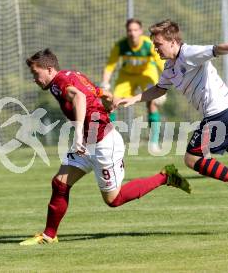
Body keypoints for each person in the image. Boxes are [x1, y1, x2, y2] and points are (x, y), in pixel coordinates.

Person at [116, 19, 228, 233]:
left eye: (158, 44)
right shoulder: (169, 67)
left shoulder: (189, 53)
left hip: (220, 114)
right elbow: (159, 89)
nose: (155, 48)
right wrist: (134, 98)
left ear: (173, 41)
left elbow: (217, 49)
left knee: (192, 158)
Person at [19, 49, 191, 245]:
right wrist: (111, 101)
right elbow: (99, 92)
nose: (34, 78)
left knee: (113, 200)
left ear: (49, 69)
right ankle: (49, 235)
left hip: (103, 144)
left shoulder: (60, 81)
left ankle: (166, 176)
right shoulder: (72, 76)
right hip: (87, 142)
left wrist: (77, 136)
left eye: (35, 73)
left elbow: (80, 98)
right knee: (60, 183)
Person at [101, 18, 166, 151]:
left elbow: (161, 64)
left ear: (141, 31)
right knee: (113, 101)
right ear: (127, 32)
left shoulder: (149, 44)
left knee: (152, 102)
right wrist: (105, 83)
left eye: (135, 30)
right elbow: (110, 66)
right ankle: (110, 141)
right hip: (127, 76)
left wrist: (165, 84)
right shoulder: (120, 46)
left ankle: (153, 142)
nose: (132, 33)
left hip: (147, 74)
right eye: (130, 30)